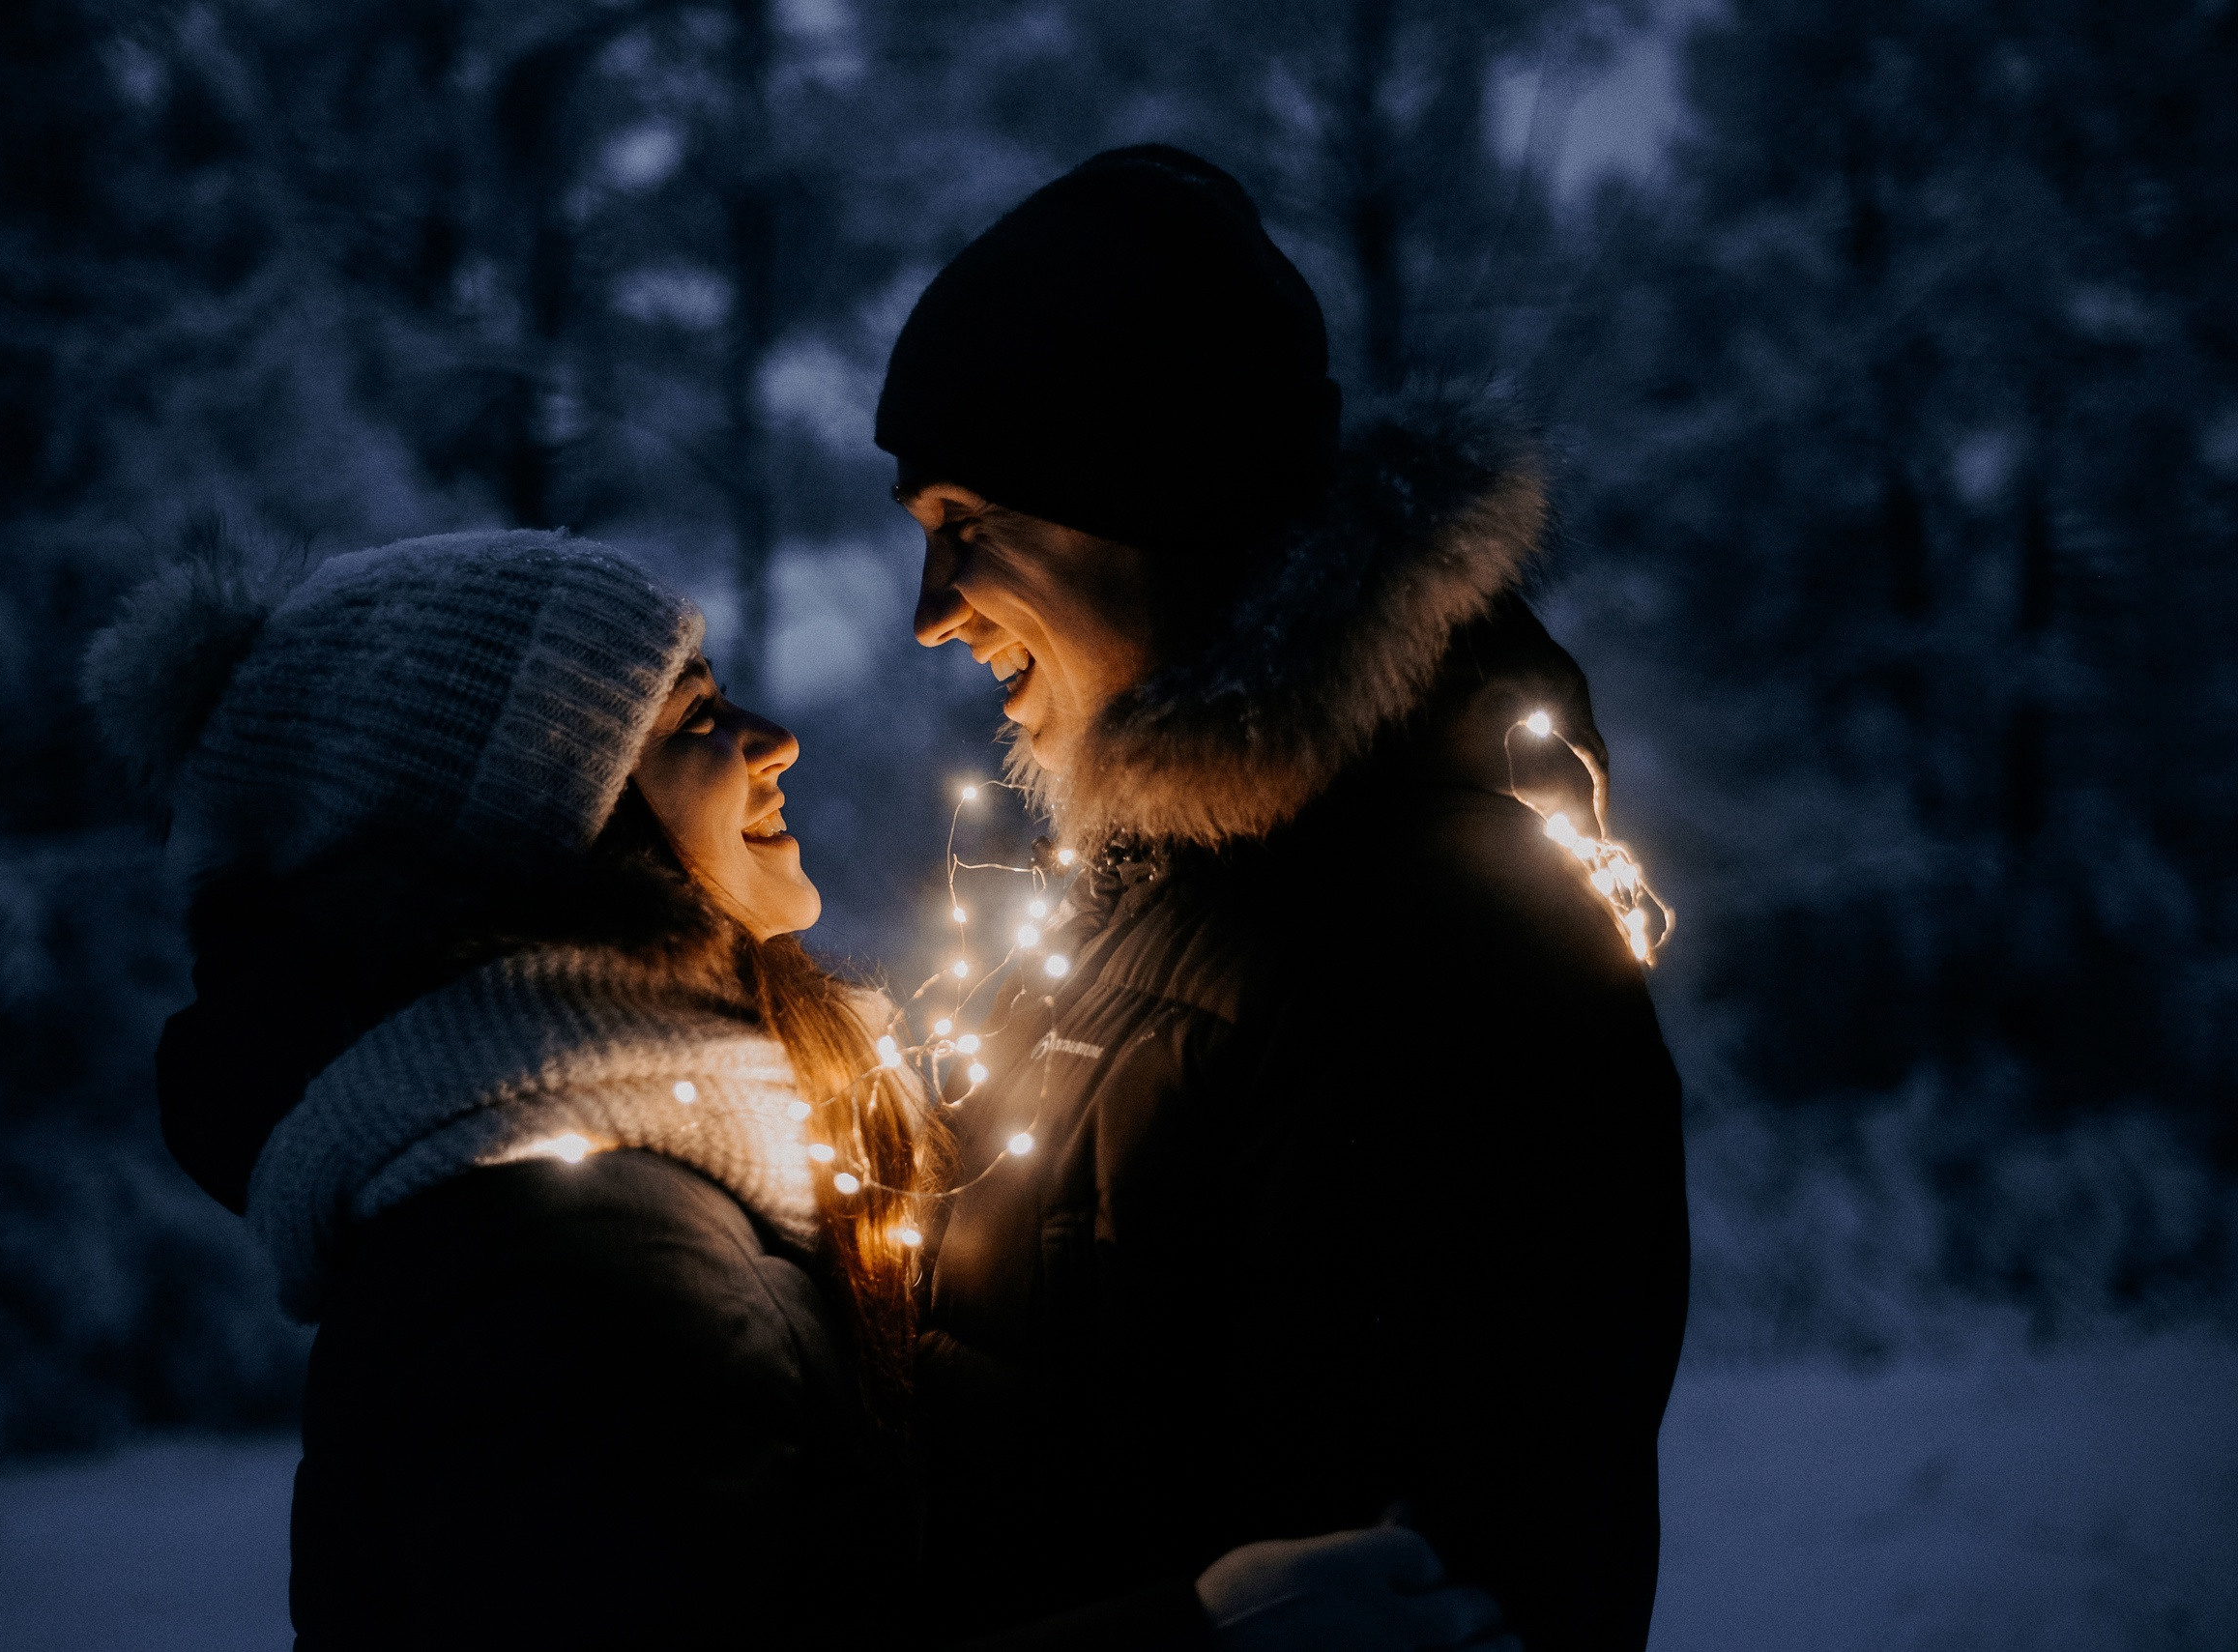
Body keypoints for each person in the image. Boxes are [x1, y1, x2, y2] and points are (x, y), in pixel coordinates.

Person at [81, 529, 1520, 1650]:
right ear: (552, 825)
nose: (771, 737)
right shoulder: (558, 1262)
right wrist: (1209, 1637)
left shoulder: (636, 1187)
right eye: (692, 716)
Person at [877, 147, 1691, 1651]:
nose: (931, 613)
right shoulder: (1158, 908)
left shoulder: (1444, 952)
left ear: (1143, 498)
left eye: (965, 520)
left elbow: (1418, 1579)